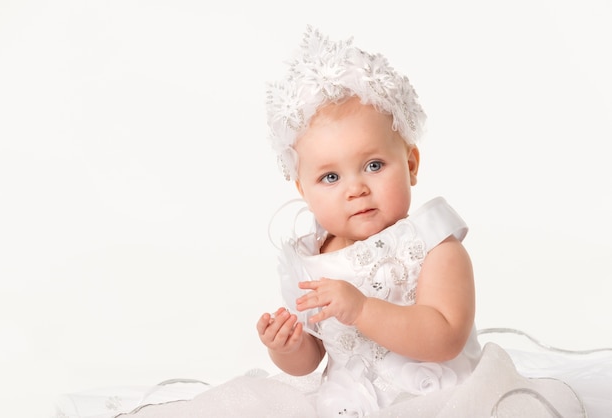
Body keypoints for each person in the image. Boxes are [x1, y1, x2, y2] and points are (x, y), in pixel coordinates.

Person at [81, 26, 611, 418]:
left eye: (374, 166)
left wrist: (361, 307)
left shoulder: (434, 245)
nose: (356, 187)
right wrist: (288, 348)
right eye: (330, 178)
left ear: (411, 163)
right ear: (302, 189)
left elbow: (445, 335)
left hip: (435, 399)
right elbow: (314, 359)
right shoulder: (310, 257)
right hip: (345, 403)